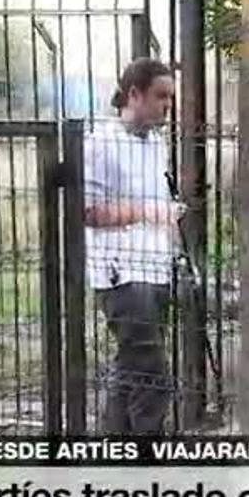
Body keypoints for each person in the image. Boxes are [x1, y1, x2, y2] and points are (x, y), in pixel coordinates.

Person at [83, 58, 182, 434]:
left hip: (154, 267)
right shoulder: (100, 143)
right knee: (153, 372)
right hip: (120, 273)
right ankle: (148, 461)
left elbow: (158, 204)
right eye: (160, 96)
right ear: (134, 94)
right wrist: (147, 211)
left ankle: (113, 452)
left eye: (170, 98)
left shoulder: (156, 143)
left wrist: (169, 227)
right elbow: (87, 211)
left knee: (131, 367)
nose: (167, 106)